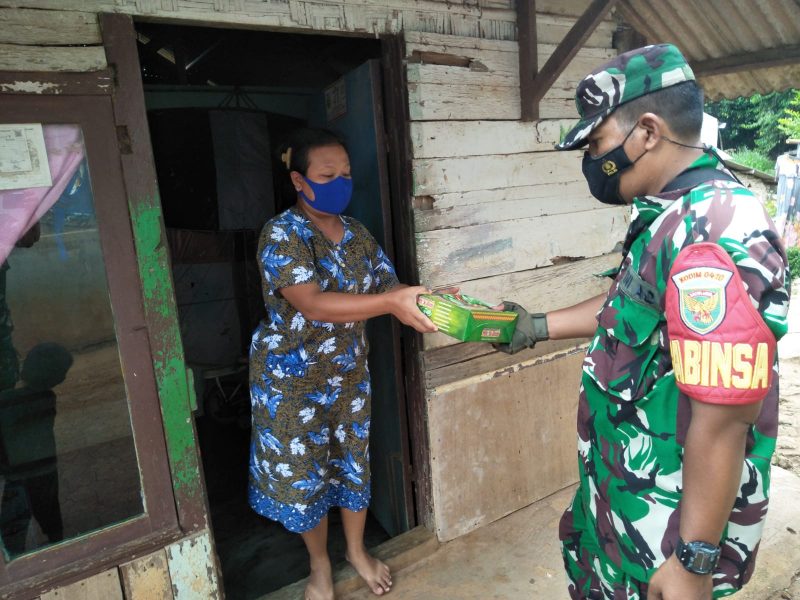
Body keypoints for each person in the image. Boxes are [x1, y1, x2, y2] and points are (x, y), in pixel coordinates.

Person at [496, 44, 789, 599]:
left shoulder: (715, 228)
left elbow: (724, 419)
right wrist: (533, 326)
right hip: (621, 508)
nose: (592, 160)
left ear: (648, 132)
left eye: (597, 143)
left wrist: (693, 562)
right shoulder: (670, 212)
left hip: (663, 540)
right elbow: (629, 308)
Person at [248, 128, 436, 600]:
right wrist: (391, 303)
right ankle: (320, 565)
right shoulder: (282, 234)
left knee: (352, 463)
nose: (341, 183)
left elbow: (389, 288)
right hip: (291, 381)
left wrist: (429, 300)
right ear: (299, 181)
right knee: (305, 474)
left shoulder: (357, 234)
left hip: (348, 375)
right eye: (328, 175)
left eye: (346, 174)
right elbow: (312, 304)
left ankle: (355, 550)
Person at [0, 342, 72, 555]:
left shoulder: (10, 400)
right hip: (44, 468)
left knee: (16, 519)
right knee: (49, 512)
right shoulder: (48, 398)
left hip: (18, 473)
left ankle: (14, 555)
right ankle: (57, 544)